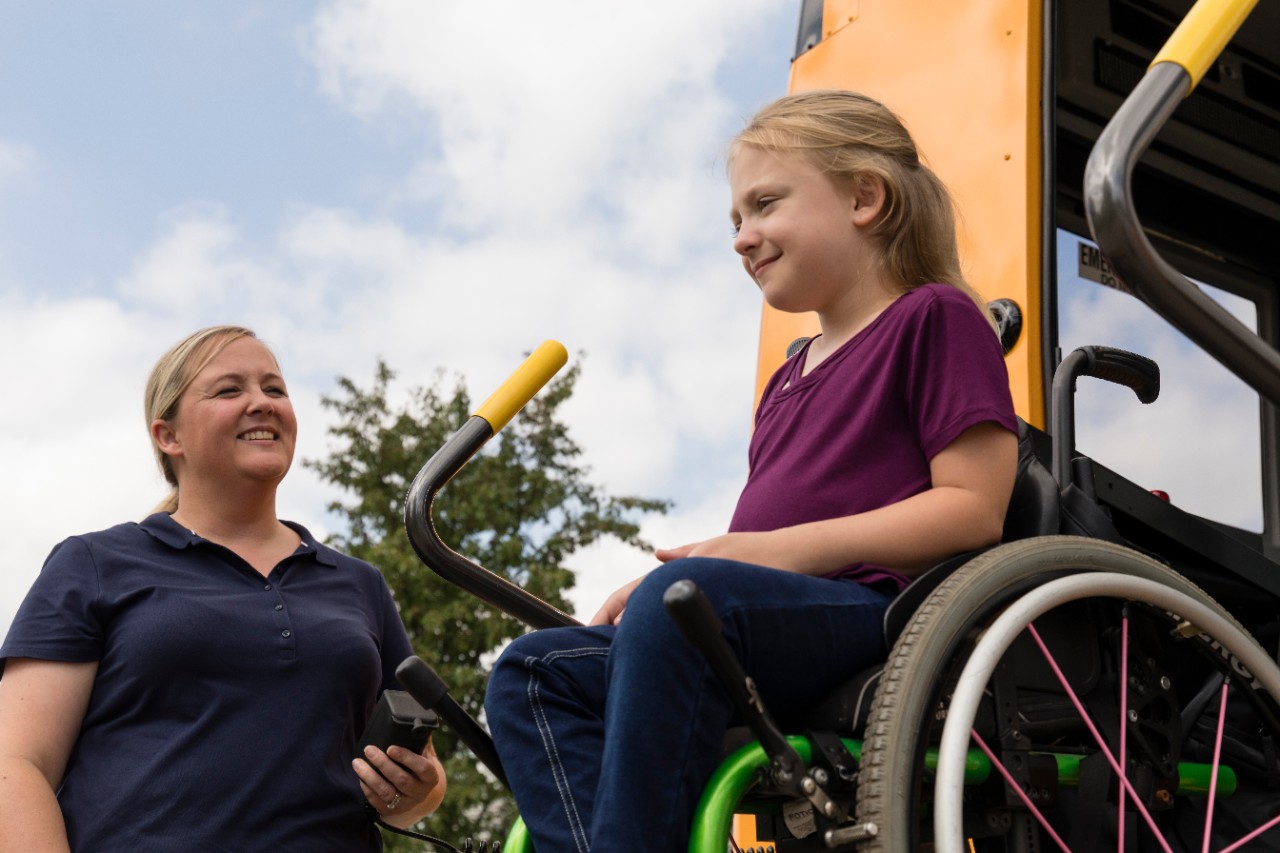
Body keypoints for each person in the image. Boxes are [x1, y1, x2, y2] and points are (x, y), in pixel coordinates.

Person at [483, 89, 1020, 851]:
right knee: (531, 671)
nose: (743, 237)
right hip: (767, 610)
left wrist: (761, 559)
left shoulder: (934, 317)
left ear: (865, 196)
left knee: (688, 602)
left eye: (764, 205)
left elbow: (973, 510)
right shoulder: (789, 376)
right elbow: (749, 560)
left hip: (880, 612)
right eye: (735, 220)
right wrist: (668, 596)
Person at [0, 326, 446, 852]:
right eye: (229, 390)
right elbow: (16, 764)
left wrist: (413, 791)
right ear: (169, 436)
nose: (261, 403)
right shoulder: (95, 563)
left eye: (274, 390)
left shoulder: (358, 584)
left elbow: (424, 781)